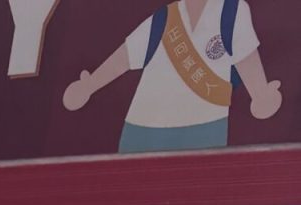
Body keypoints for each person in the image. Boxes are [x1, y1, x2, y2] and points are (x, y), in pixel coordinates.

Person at [62, 0, 283, 154]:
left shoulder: (232, 11)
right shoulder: (165, 17)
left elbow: (246, 57)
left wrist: (260, 95)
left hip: (205, 125)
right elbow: (126, 55)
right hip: (144, 126)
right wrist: (89, 86)